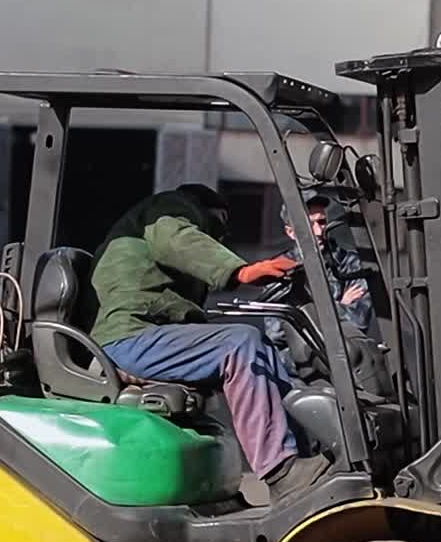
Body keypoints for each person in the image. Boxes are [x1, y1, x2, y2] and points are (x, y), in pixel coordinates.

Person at [88, 183, 330, 499]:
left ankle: (305, 460)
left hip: (147, 336)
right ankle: (280, 471)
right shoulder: (170, 210)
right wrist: (240, 271)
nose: (219, 236)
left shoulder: (157, 262)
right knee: (241, 343)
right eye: (218, 226)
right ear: (206, 214)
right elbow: (179, 239)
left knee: (262, 349)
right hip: (129, 339)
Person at [266, 194, 393, 399]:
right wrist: (339, 305)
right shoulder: (278, 269)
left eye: (322, 222)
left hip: (346, 360)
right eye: (309, 225)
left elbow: (357, 321)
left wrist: (305, 314)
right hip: (297, 366)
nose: (318, 231)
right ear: (291, 232)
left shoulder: (350, 263)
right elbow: (276, 332)